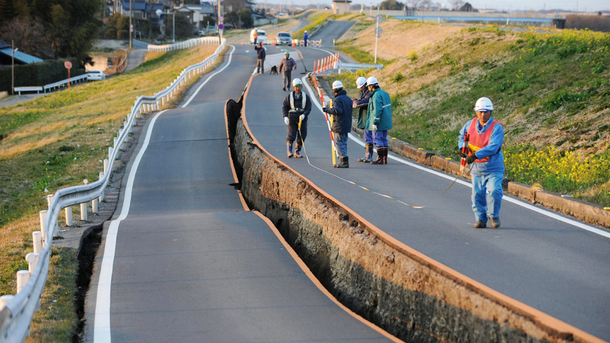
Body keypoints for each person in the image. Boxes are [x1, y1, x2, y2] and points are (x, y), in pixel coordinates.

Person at [458, 97, 505, 229]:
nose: (483, 114)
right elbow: (462, 137)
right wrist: (462, 149)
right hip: (477, 168)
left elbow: (494, 146)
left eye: (486, 111)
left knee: (494, 191)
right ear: (476, 112)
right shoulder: (470, 124)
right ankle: (480, 219)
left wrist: (475, 155)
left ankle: (494, 216)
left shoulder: (497, 128)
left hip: (493, 167)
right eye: (480, 112)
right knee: (477, 195)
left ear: (490, 112)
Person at [323, 80, 352, 168]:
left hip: (339, 125)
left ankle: (343, 160)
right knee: (344, 142)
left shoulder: (338, 99)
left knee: (339, 143)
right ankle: (344, 160)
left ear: (334, 90)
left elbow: (337, 111)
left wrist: (327, 110)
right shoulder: (348, 98)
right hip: (347, 124)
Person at [365, 76, 392, 165]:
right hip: (385, 121)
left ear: (371, 86)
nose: (368, 89)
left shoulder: (376, 95)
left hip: (379, 122)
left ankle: (380, 158)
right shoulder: (385, 93)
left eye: (368, 87)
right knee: (384, 139)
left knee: (377, 139)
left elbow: (377, 109)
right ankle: (384, 159)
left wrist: (375, 122)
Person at [282, 78, 311, 158]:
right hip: (292, 119)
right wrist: (285, 117)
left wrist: (304, 114)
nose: (298, 88)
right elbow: (284, 107)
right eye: (296, 87)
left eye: (299, 86)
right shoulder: (289, 97)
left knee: (302, 136)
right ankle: (289, 151)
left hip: (302, 119)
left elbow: (308, 108)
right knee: (291, 135)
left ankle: (297, 151)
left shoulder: (306, 97)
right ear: (294, 87)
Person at [353, 76, 372, 162]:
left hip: (368, 117)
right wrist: (356, 100)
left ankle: (369, 156)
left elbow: (366, 101)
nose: (360, 89)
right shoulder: (364, 92)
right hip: (365, 117)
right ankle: (366, 155)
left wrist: (357, 103)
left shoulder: (369, 93)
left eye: (361, 87)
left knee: (369, 137)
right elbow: (362, 100)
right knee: (367, 136)